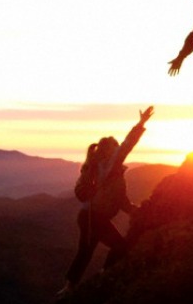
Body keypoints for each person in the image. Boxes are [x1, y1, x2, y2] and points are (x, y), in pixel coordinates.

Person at [56, 106, 154, 299]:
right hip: (94, 217)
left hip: (90, 215)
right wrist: (141, 123)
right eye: (115, 147)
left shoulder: (100, 169)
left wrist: (132, 210)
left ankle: (70, 287)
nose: (118, 149)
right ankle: (99, 276)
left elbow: (118, 199)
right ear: (110, 151)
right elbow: (127, 145)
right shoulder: (108, 166)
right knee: (114, 247)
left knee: (87, 249)